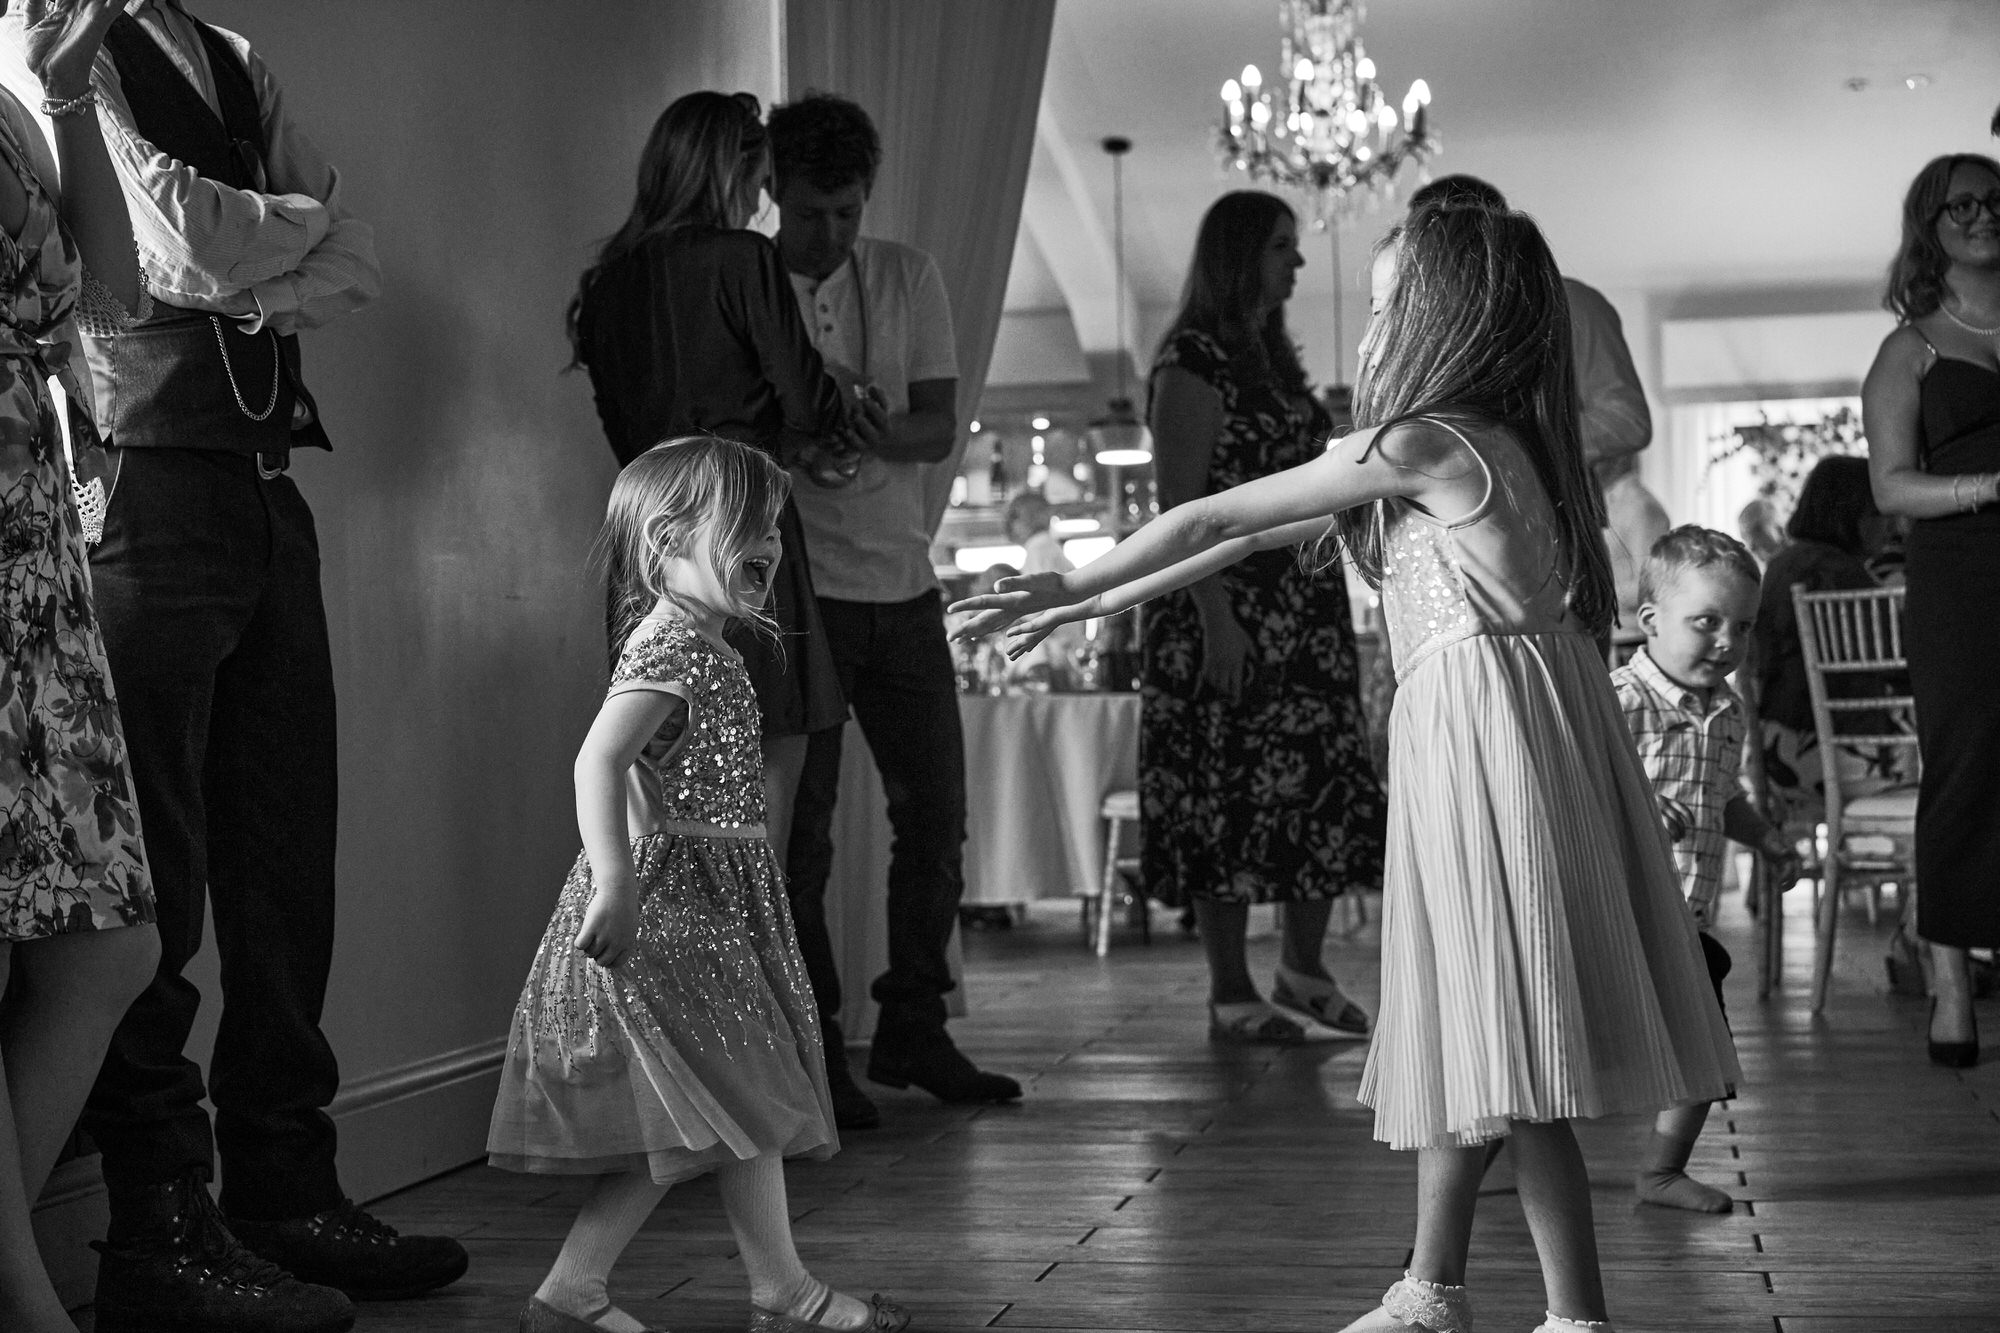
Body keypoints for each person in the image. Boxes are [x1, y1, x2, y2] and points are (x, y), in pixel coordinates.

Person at [953, 201, 1739, 1333]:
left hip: (1486, 761)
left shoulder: (1425, 442)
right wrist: (1092, 594)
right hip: (1498, 749)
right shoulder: (1503, 447)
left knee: (1502, 1045)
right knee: (1475, 1033)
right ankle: (1434, 1288)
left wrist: (1068, 587)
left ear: (1437, 317)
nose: (1366, 329)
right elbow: (1241, 535)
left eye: (1381, 305)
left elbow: (1217, 507)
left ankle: (1564, 1315)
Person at [15, 3, 467, 1327]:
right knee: (160, 870)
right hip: (131, 481)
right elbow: (158, 247)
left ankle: (287, 1183)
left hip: (265, 484)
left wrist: (256, 239)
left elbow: (357, 257)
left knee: (285, 856)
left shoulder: (221, 49)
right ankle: (160, 1220)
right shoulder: (34, 35)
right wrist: (279, 232)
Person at [488, 436, 908, 1333]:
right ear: (666, 540)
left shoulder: (707, 647)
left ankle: (589, 1294)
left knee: (719, 1103)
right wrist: (615, 880)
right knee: (725, 1099)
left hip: (710, 903)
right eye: (746, 522)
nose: (770, 541)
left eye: (775, 526)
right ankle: (769, 1294)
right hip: (672, 911)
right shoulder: (675, 646)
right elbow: (596, 760)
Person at [766, 91, 1018, 1128]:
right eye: (812, 212)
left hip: (902, 583)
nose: (829, 234)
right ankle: (815, 1043)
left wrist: (865, 431)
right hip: (794, 589)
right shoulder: (745, 282)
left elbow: (935, 429)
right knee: (804, 835)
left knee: (937, 818)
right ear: (771, 190)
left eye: (845, 213)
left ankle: (913, 1022)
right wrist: (798, 438)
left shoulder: (905, 274)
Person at [571, 90, 854, 896]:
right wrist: (842, 409)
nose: (764, 199)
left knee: (655, 790)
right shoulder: (743, 258)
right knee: (770, 783)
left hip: (651, 543)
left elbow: (624, 433)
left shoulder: (606, 286)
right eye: (759, 177)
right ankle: (766, 1005)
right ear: (729, 169)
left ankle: (685, 1004)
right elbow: (807, 404)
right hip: (742, 529)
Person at [0, 5, 159, 1331]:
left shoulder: (6, 107)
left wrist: (61, 100)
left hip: (35, 553)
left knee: (109, 945)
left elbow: (121, 290)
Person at [1140, 190, 1385, 1044]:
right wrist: (1214, 615)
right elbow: (1181, 502)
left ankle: (1302, 967)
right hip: (1226, 604)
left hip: (1299, 606)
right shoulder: (1194, 358)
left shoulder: (1271, 355)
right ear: (1242, 253)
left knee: (1323, 775)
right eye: (1283, 245)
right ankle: (1231, 985)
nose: (1299, 261)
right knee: (1225, 788)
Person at [1613, 527, 1800, 1215]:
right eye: (1706, 622)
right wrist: (1632, 804)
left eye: (1742, 626)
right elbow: (1566, 791)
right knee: (1553, 1059)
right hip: (1613, 916)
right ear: (1651, 621)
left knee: (1705, 1052)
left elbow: (1724, 796)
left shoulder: (1728, 712)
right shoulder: (1616, 701)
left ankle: (1661, 1170)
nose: (1726, 640)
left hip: (1686, 917)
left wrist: (1768, 838)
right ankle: (1481, 1154)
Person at [1862, 152, 2000, 1068]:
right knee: (1966, 764)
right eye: (1963, 205)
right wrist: (1990, 486)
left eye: (1996, 200)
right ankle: (1950, 982)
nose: (1984, 215)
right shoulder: (1908, 348)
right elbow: (1891, 488)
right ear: (1931, 224)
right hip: (1964, 577)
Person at [1407, 175, 1669, 637]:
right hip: (1449, 540)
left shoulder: (1574, 305)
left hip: (1556, 528)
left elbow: (1628, 420)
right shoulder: (1430, 325)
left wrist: (1512, 445)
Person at [1751, 457, 1890, 828]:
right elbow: (1894, 668)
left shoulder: (1779, 567)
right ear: (1853, 515)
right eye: (1878, 512)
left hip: (1772, 755)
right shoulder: (1844, 575)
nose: (1889, 523)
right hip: (1844, 761)